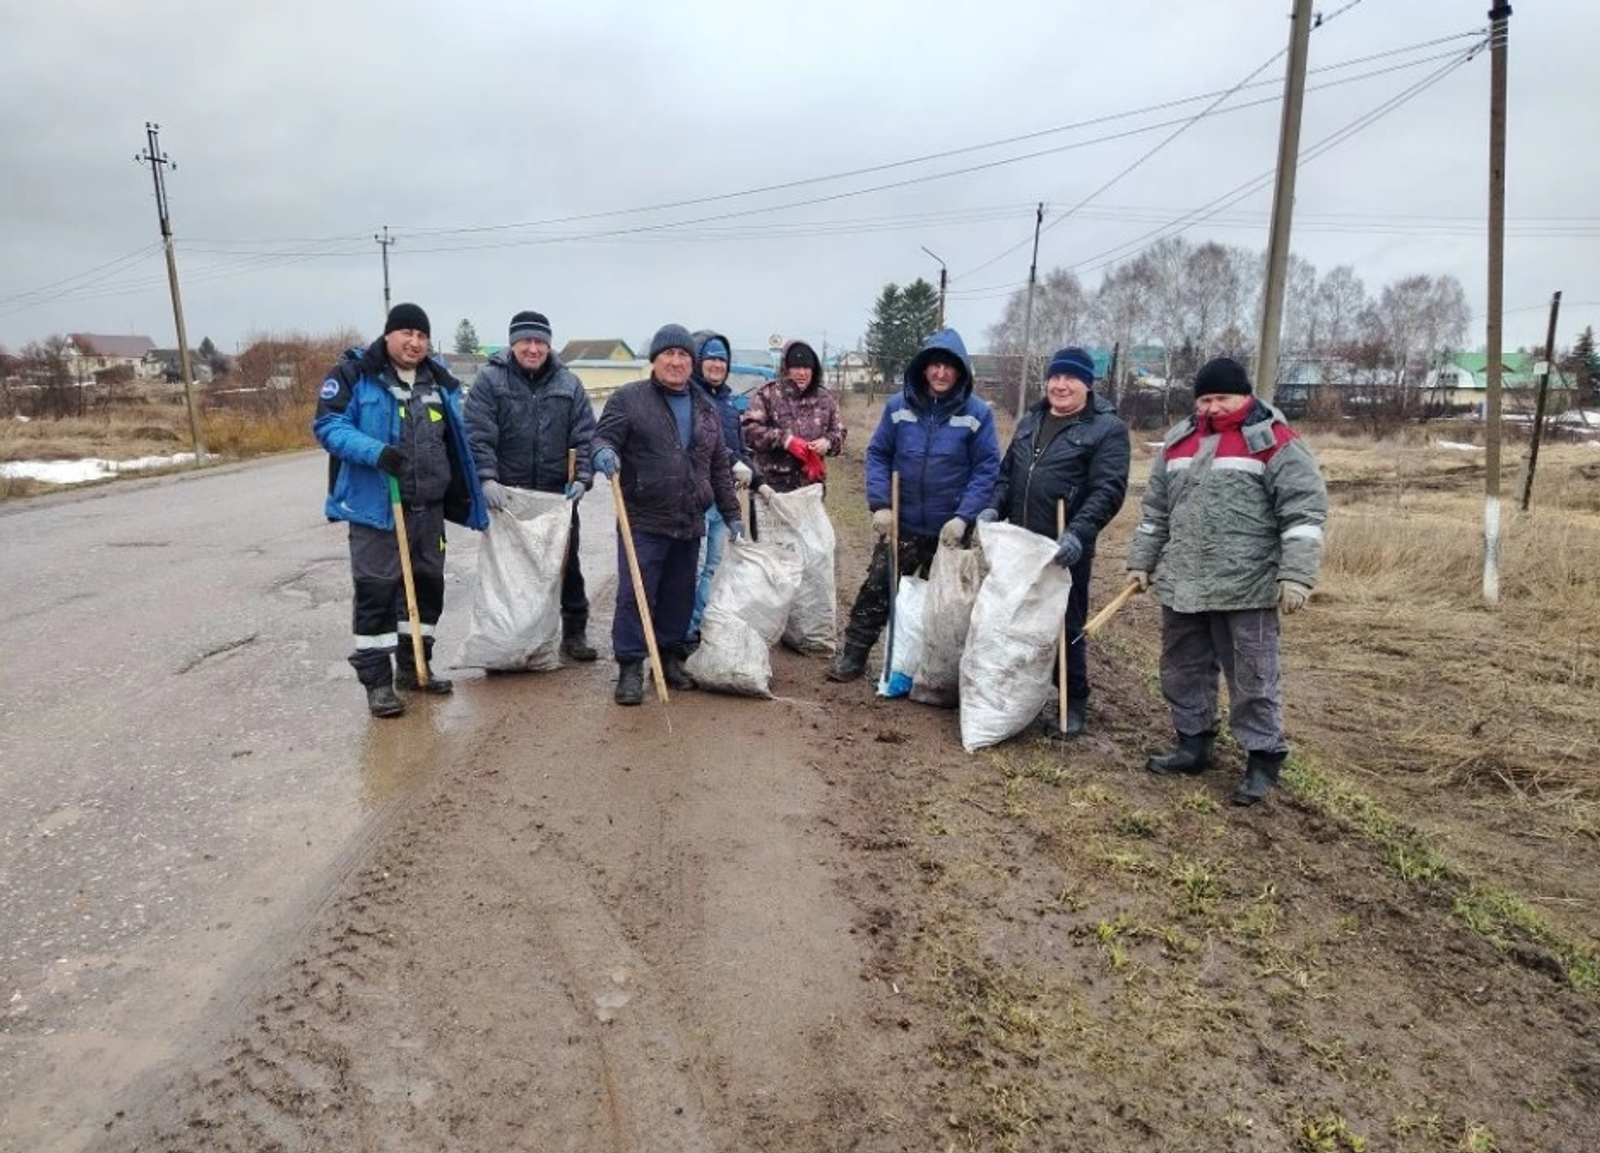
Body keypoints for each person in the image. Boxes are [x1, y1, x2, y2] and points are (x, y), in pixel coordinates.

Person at [1127, 356, 1328, 806]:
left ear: (1245, 396)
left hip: (1247, 585)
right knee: (1182, 667)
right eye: (1205, 399)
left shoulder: (1274, 442)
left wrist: (1296, 575)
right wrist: (1142, 561)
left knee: (1253, 675)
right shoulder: (1179, 443)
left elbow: (1304, 513)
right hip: (1184, 583)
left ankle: (1262, 758)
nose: (1213, 407)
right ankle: (1192, 743)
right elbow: (1155, 513)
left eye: (1223, 398)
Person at [313, 303, 487, 717]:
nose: (414, 342)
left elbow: (456, 438)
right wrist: (375, 452)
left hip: (429, 508)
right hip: (377, 506)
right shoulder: (355, 376)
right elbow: (328, 426)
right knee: (377, 590)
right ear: (388, 335)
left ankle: (415, 668)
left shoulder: (438, 381)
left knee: (427, 590)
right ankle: (378, 683)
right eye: (406, 332)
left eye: (422, 335)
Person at [828, 327, 999, 683]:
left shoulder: (977, 414)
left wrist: (963, 518)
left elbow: (986, 470)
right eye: (934, 365)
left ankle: (941, 674)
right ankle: (854, 657)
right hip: (902, 523)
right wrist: (880, 505)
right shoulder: (898, 407)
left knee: (948, 606)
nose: (941, 373)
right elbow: (878, 454)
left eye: (949, 367)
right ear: (922, 369)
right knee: (877, 589)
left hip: (948, 530)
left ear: (961, 371)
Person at [590, 324, 745, 705]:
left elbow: (719, 468)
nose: (676, 362)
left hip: (689, 518)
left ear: (691, 363)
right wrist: (603, 454)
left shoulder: (707, 409)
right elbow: (602, 437)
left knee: (680, 593)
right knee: (636, 593)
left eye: (683, 355)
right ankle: (630, 666)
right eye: (668, 354)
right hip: (644, 516)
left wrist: (732, 513)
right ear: (655, 360)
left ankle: (669, 656)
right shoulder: (629, 399)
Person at [979, 347, 1130, 737]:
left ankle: (1072, 700)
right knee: (1012, 619)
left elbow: (1108, 490)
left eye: (1071, 378)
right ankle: (1012, 693)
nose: (1061, 385)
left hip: (1064, 546)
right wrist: (993, 509)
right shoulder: (1032, 419)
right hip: (1021, 542)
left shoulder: (1106, 429)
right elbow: (1006, 474)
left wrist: (1078, 534)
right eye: (1055, 377)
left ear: (1087, 385)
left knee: (1066, 623)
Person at [463, 310, 598, 661]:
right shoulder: (491, 381)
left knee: (566, 564)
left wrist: (582, 478)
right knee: (511, 570)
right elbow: (478, 435)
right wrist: (486, 478)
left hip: (557, 495)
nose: (534, 348)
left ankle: (574, 632)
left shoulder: (568, 384)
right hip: (508, 497)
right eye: (526, 341)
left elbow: (585, 436)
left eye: (540, 342)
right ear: (513, 344)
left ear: (549, 346)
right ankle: (509, 638)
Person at [688, 330, 759, 643]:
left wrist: (758, 478)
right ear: (698, 361)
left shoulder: (729, 402)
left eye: (722, 359)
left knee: (713, 568)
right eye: (711, 358)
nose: (717, 364)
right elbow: (701, 442)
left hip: (724, 500)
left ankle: (698, 627)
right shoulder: (689, 397)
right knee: (695, 567)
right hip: (697, 497)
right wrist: (733, 462)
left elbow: (740, 448)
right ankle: (683, 633)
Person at [740, 339, 845, 493]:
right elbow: (748, 431)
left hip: (811, 491)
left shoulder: (825, 398)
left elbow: (840, 433)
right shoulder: (767, 394)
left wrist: (827, 443)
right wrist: (785, 441)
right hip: (772, 491)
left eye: (807, 367)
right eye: (796, 367)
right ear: (786, 368)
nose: (802, 373)